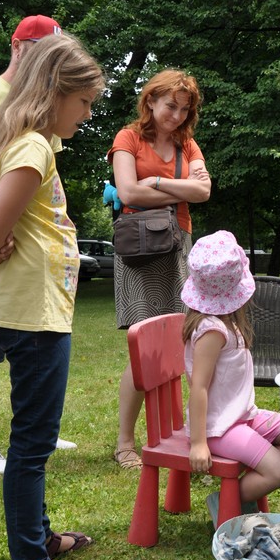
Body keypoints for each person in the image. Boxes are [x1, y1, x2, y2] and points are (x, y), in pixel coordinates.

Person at [0, 33, 105, 560]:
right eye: (85, 102)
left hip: (35, 309)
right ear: (53, 90)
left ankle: (39, 537)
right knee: (32, 445)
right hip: (33, 313)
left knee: (34, 440)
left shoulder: (29, 143)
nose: (88, 114)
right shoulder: (32, 149)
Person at [0, 14, 75, 474]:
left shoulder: (46, 110)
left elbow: (42, 181)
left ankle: (33, 423)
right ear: (17, 46)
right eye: (40, 51)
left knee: (24, 340)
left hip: (19, 235)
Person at [108, 69, 211, 470]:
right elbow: (127, 191)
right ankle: (124, 443)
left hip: (178, 245)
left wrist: (153, 181)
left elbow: (203, 192)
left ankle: (170, 434)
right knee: (144, 347)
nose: (177, 116)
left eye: (184, 110)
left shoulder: (188, 144)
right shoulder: (128, 138)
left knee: (177, 343)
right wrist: (174, 187)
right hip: (140, 250)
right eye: (171, 106)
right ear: (150, 100)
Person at [181, 231, 280, 525]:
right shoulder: (212, 331)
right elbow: (199, 388)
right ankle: (226, 501)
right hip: (220, 427)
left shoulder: (225, 324)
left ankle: (245, 494)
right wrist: (198, 442)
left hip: (241, 416)